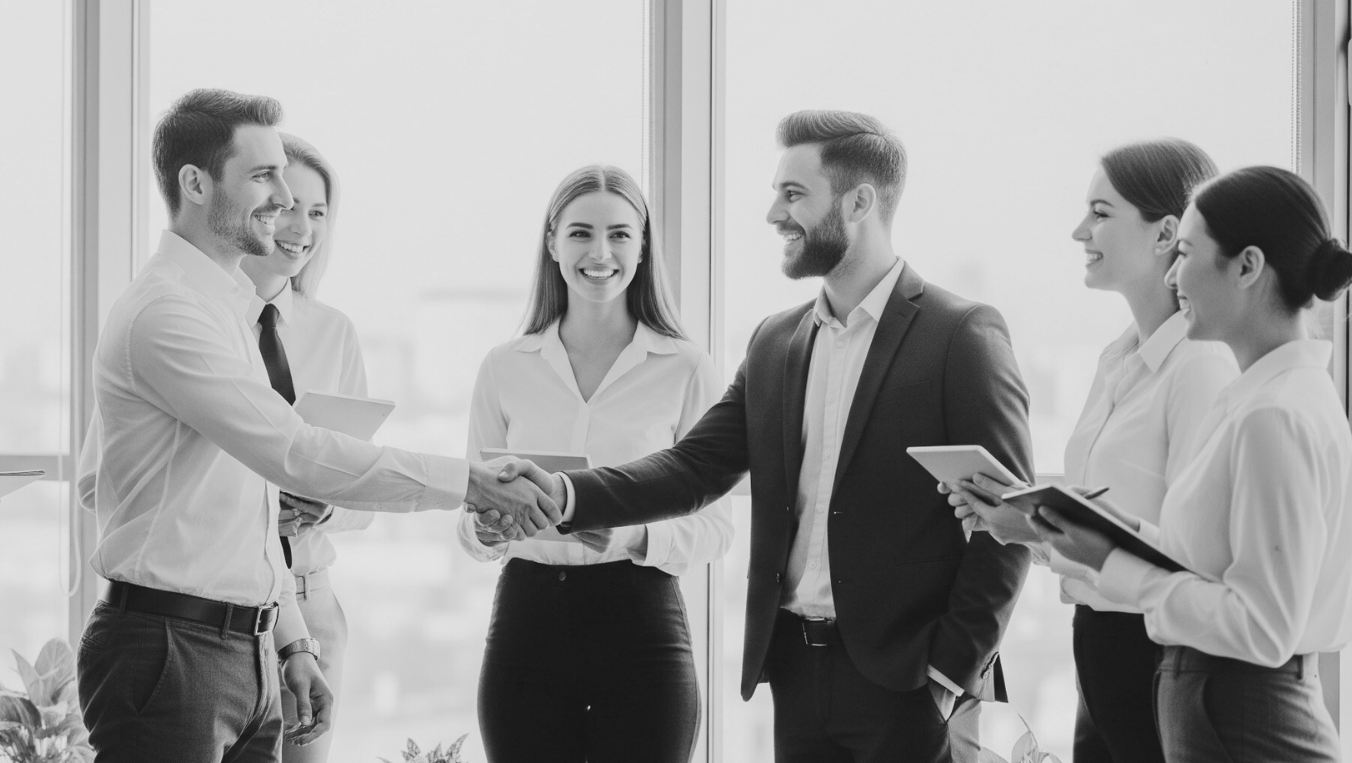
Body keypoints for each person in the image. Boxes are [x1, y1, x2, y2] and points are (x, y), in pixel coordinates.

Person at [502, 110, 1033, 763]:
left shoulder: (962, 336)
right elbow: (691, 468)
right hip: (794, 674)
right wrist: (561, 492)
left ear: (859, 201)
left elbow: (1008, 525)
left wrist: (948, 674)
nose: (773, 214)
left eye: (793, 194)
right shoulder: (776, 342)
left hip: (906, 684)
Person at [75, 88, 559, 763]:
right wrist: (472, 483)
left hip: (243, 644)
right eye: (262, 176)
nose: (282, 200)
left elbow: (251, 512)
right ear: (194, 184)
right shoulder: (168, 314)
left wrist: (291, 640)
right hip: (170, 648)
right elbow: (294, 455)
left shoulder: (228, 307)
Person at [1035, 165, 1352, 763]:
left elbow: (1261, 627)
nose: (1173, 274)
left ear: (1247, 267)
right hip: (1227, 708)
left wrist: (1113, 563)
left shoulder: (1274, 414)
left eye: (1185, 253)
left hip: (1246, 716)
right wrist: (1113, 534)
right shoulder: (1259, 398)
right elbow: (1215, 564)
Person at [947, 139, 1238, 763]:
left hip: (1160, 653)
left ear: (1166, 233)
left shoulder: (1200, 367)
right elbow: (1107, 527)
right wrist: (1020, 526)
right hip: (1101, 643)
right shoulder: (1118, 360)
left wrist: (1035, 533)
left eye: (1101, 213)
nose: (1081, 229)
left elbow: (1199, 556)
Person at [461, 165, 733, 763]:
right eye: (581, 233)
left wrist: (630, 532)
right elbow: (471, 505)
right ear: (552, 243)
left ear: (642, 247)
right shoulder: (505, 367)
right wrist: (484, 529)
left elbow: (717, 528)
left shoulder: (685, 368)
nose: (600, 252)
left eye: (619, 234)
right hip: (527, 620)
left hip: (641, 623)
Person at [236, 133, 372, 763]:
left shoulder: (332, 333)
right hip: (223, 603)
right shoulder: (192, 325)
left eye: (318, 212)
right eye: (290, 206)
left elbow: (364, 491)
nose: (303, 227)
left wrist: (328, 505)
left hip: (311, 600)